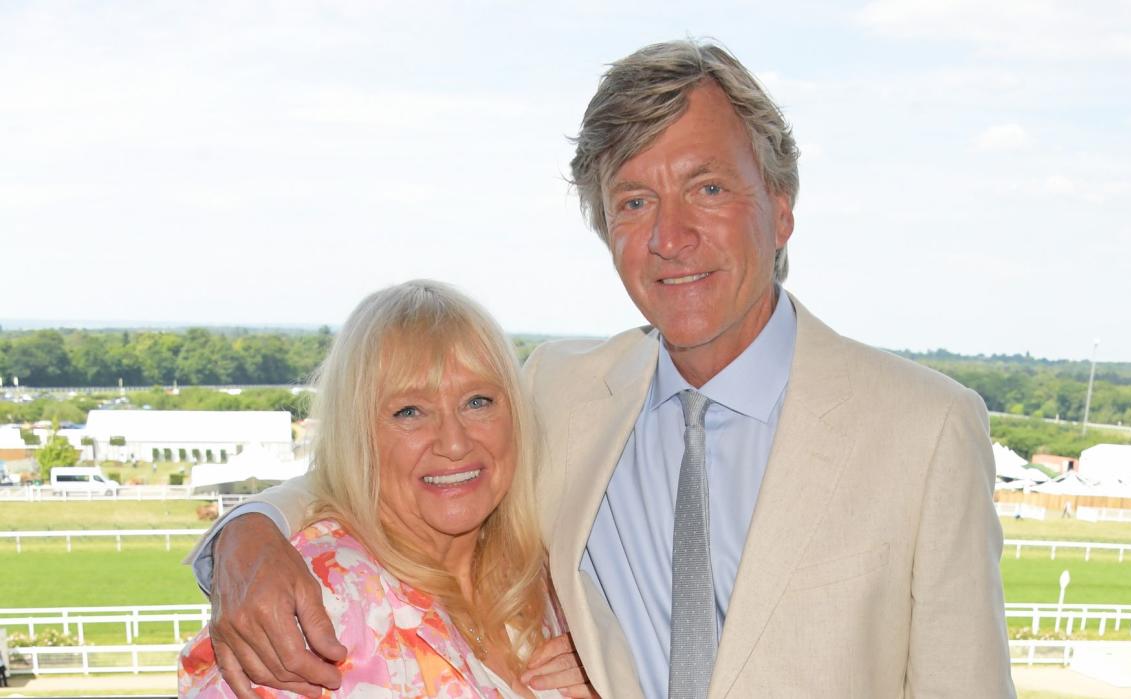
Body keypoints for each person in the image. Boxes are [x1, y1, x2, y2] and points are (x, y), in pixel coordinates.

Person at [190, 39, 1015, 697]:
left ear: (782, 206)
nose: (670, 236)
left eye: (708, 188)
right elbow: (394, 454)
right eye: (633, 201)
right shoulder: (561, 389)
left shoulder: (925, 427)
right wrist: (247, 534)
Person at [179, 280, 591, 698]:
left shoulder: (544, 585)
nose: (454, 443)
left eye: (478, 401)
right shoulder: (321, 602)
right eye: (409, 411)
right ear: (357, 436)